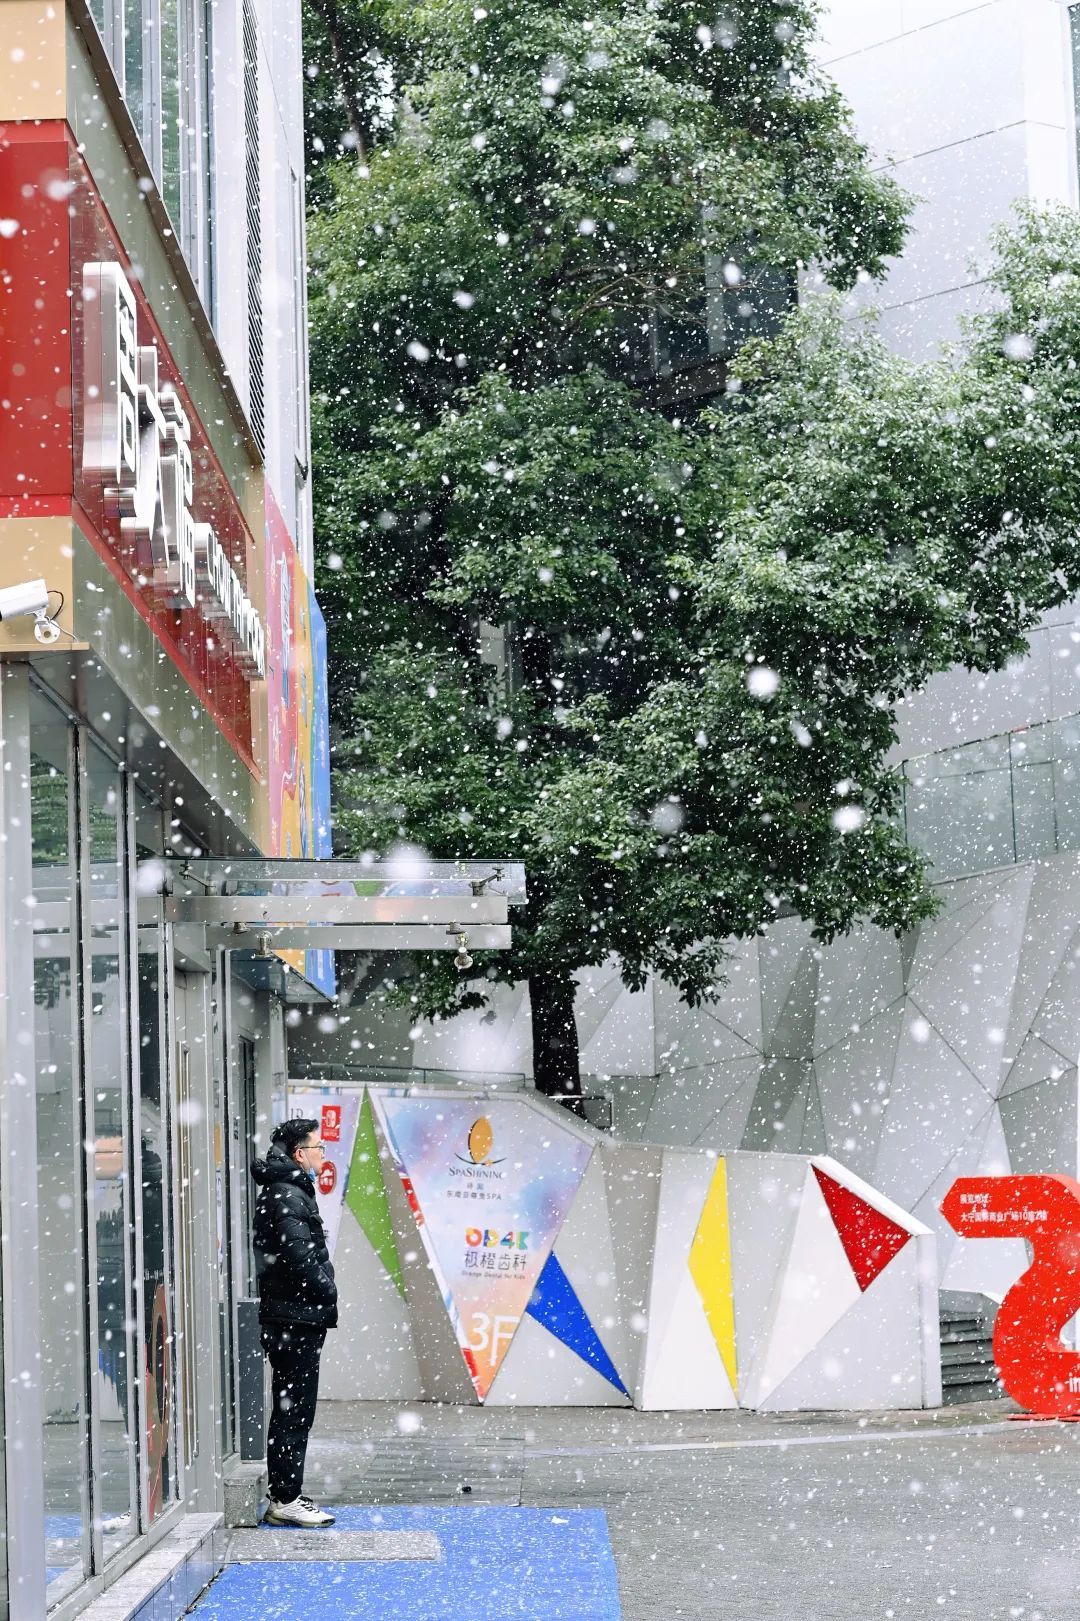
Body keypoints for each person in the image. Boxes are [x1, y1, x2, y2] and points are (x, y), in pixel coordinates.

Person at [251, 1118, 338, 1526]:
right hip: (294, 1318)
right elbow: (300, 1259)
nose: (323, 1154)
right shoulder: (287, 1194)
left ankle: (286, 1492)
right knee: (294, 1410)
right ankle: (285, 1497)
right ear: (300, 1154)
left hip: (292, 1315)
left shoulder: (286, 1190)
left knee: (293, 1407)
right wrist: (327, 1289)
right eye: (318, 1147)